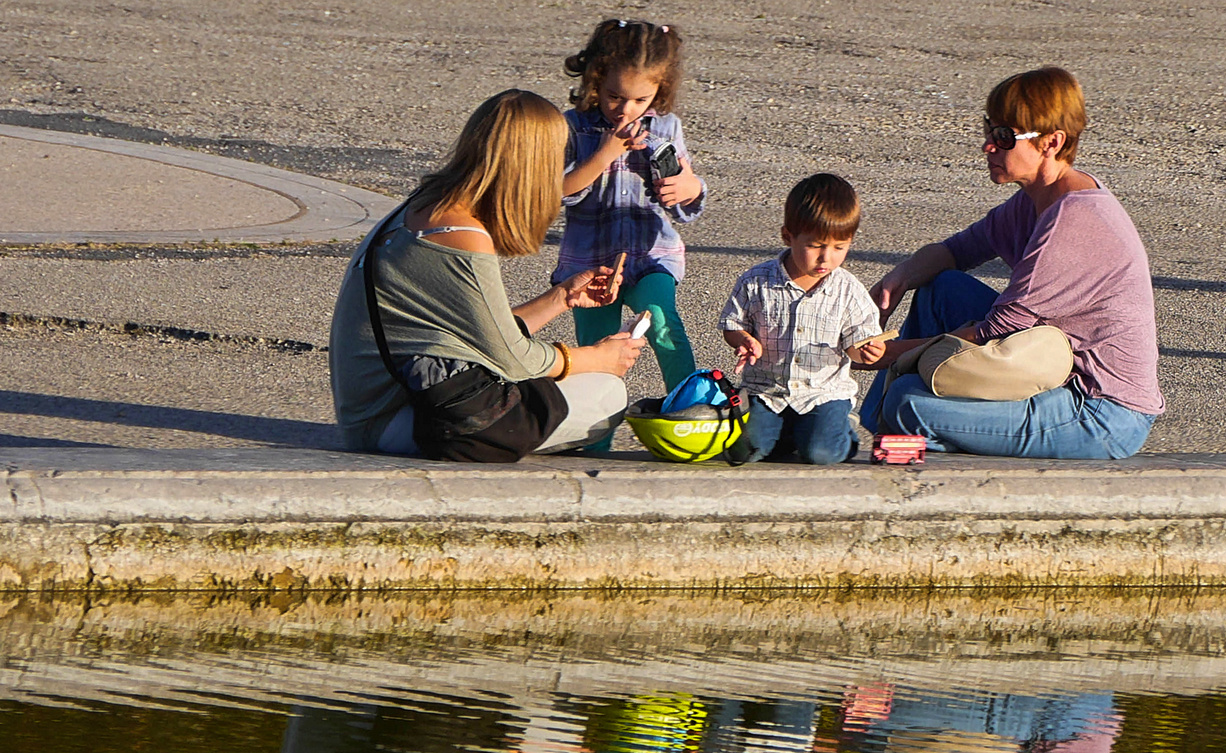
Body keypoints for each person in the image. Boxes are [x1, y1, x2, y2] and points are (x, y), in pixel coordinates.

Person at [863, 67, 1164, 459]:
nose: (988, 146)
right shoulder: (1037, 199)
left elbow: (998, 329)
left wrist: (899, 353)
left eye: (1004, 137)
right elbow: (957, 251)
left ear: (1051, 142)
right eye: (988, 129)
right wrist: (896, 280)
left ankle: (899, 427)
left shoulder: (1073, 220)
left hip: (1100, 410)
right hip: (1048, 365)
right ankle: (880, 429)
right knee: (942, 288)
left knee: (908, 402)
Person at [329, 89, 642, 459]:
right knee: (608, 393)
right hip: (404, 420)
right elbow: (513, 357)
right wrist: (595, 359)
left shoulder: (425, 206)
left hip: (378, 411)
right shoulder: (461, 235)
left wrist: (561, 298)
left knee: (556, 389)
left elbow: (485, 335)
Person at [556, 18, 707, 449]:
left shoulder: (666, 127)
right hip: (591, 262)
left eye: (640, 99)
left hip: (651, 254)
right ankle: (595, 439)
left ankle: (690, 412)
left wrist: (687, 186)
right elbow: (559, 191)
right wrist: (606, 152)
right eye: (614, 97)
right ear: (595, 82)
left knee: (661, 321)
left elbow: (688, 198)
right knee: (595, 349)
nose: (625, 110)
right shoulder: (574, 127)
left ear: (658, 92)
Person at [718, 173, 886, 464]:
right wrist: (743, 340)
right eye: (815, 246)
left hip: (823, 393)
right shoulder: (757, 281)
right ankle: (788, 433)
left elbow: (858, 343)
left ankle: (843, 430)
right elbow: (733, 324)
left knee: (821, 454)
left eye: (839, 248)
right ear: (788, 236)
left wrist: (868, 351)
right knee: (746, 451)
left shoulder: (847, 289)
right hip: (766, 391)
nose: (826, 258)